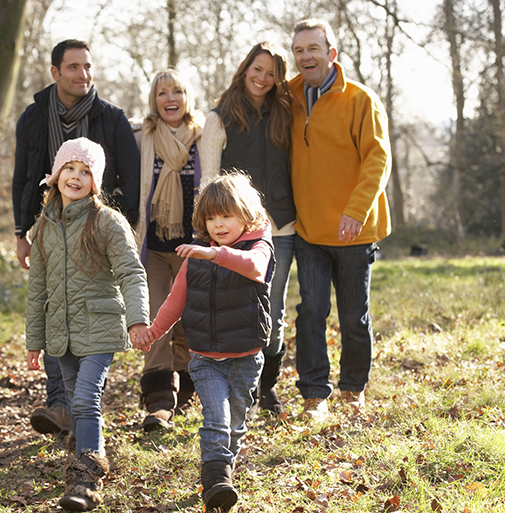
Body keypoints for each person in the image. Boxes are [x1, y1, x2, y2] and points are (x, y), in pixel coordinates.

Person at [13, 39, 141, 435]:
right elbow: (21, 177)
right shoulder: (33, 118)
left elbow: (132, 178)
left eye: (88, 66)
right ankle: (61, 406)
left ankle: (78, 418)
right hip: (49, 224)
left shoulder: (112, 118)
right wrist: (23, 232)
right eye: (73, 67)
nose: (83, 74)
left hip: (97, 224)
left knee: (83, 306)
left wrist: (119, 223)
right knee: (56, 301)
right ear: (55, 72)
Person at [132, 172, 275, 513]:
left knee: (236, 422)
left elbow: (255, 267)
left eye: (226, 216)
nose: (218, 225)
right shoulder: (196, 256)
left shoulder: (259, 246)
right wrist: (153, 332)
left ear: (246, 215)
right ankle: (214, 481)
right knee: (216, 417)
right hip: (205, 358)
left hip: (246, 356)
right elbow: (174, 301)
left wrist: (215, 256)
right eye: (211, 218)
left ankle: (225, 467)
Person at [25, 138, 150, 511]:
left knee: (84, 399)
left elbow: (131, 272)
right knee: (73, 398)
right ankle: (78, 460)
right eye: (70, 168)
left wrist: (138, 319)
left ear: (95, 182)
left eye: (86, 172)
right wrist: (35, 340)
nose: (76, 177)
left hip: (100, 326)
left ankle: (86, 479)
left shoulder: (107, 221)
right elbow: (37, 288)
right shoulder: (44, 227)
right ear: (56, 174)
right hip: (61, 331)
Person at [289, 19, 391, 421]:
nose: (305, 56)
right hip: (309, 229)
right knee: (311, 310)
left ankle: (352, 390)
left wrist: (356, 210)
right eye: (299, 50)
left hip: (354, 228)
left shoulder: (361, 100)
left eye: (313, 48)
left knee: (353, 315)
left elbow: (378, 160)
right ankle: (314, 395)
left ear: (331, 54)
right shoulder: (289, 97)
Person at [200, 41, 294, 418]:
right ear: (245, 69)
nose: (263, 78)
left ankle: (267, 385)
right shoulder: (219, 117)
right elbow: (208, 180)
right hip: (238, 233)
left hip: (282, 227)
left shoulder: (284, 114)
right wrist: (210, 231)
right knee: (242, 310)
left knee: (274, 311)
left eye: (271, 73)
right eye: (258, 69)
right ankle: (243, 388)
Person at [134, 69, 215, 431]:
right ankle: (159, 401)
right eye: (162, 92)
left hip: (194, 245)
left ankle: (183, 394)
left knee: (188, 322)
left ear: (188, 97)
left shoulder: (203, 138)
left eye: (177, 91)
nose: (170, 98)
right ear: (154, 99)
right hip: (152, 245)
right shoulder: (141, 136)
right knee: (156, 319)